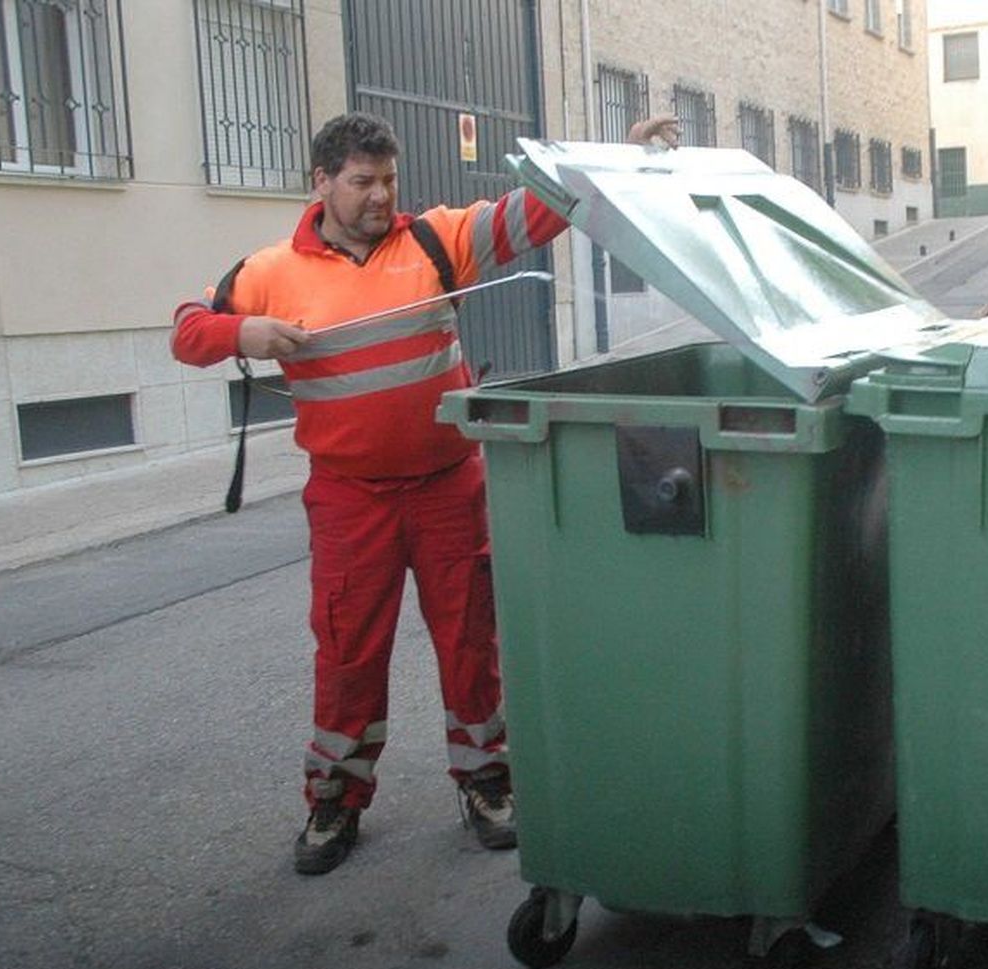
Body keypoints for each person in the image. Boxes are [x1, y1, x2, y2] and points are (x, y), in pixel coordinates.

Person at [171, 111, 679, 876]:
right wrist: (242, 335)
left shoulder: (438, 241)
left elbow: (537, 209)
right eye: (362, 182)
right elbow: (186, 329)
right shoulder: (271, 271)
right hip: (350, 499)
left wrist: (620, 158)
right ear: (321, 184)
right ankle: (335, 798)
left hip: (449, 487)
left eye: (389, 181)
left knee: (471, 642)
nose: (380, 197)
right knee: (348, 652)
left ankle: (486, 782)